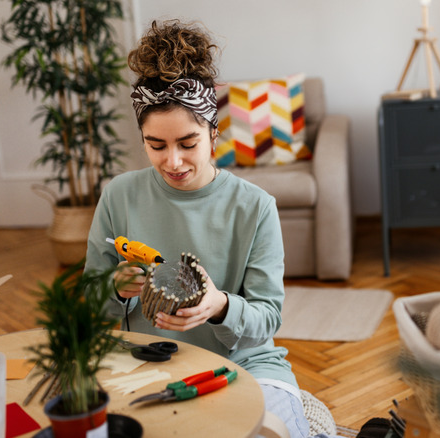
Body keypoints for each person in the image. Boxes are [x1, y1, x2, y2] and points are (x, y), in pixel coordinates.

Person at [85, 19, 335, 438]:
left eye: (187, 143)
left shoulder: (255, 207)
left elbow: (266, 319)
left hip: (244, 365)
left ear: (213, 133)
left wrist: (220, 304)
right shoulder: (119, 195)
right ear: (142, 138)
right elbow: (89, 301)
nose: (173, 162)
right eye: (156, 145)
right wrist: (112, 287)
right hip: (148, 363)